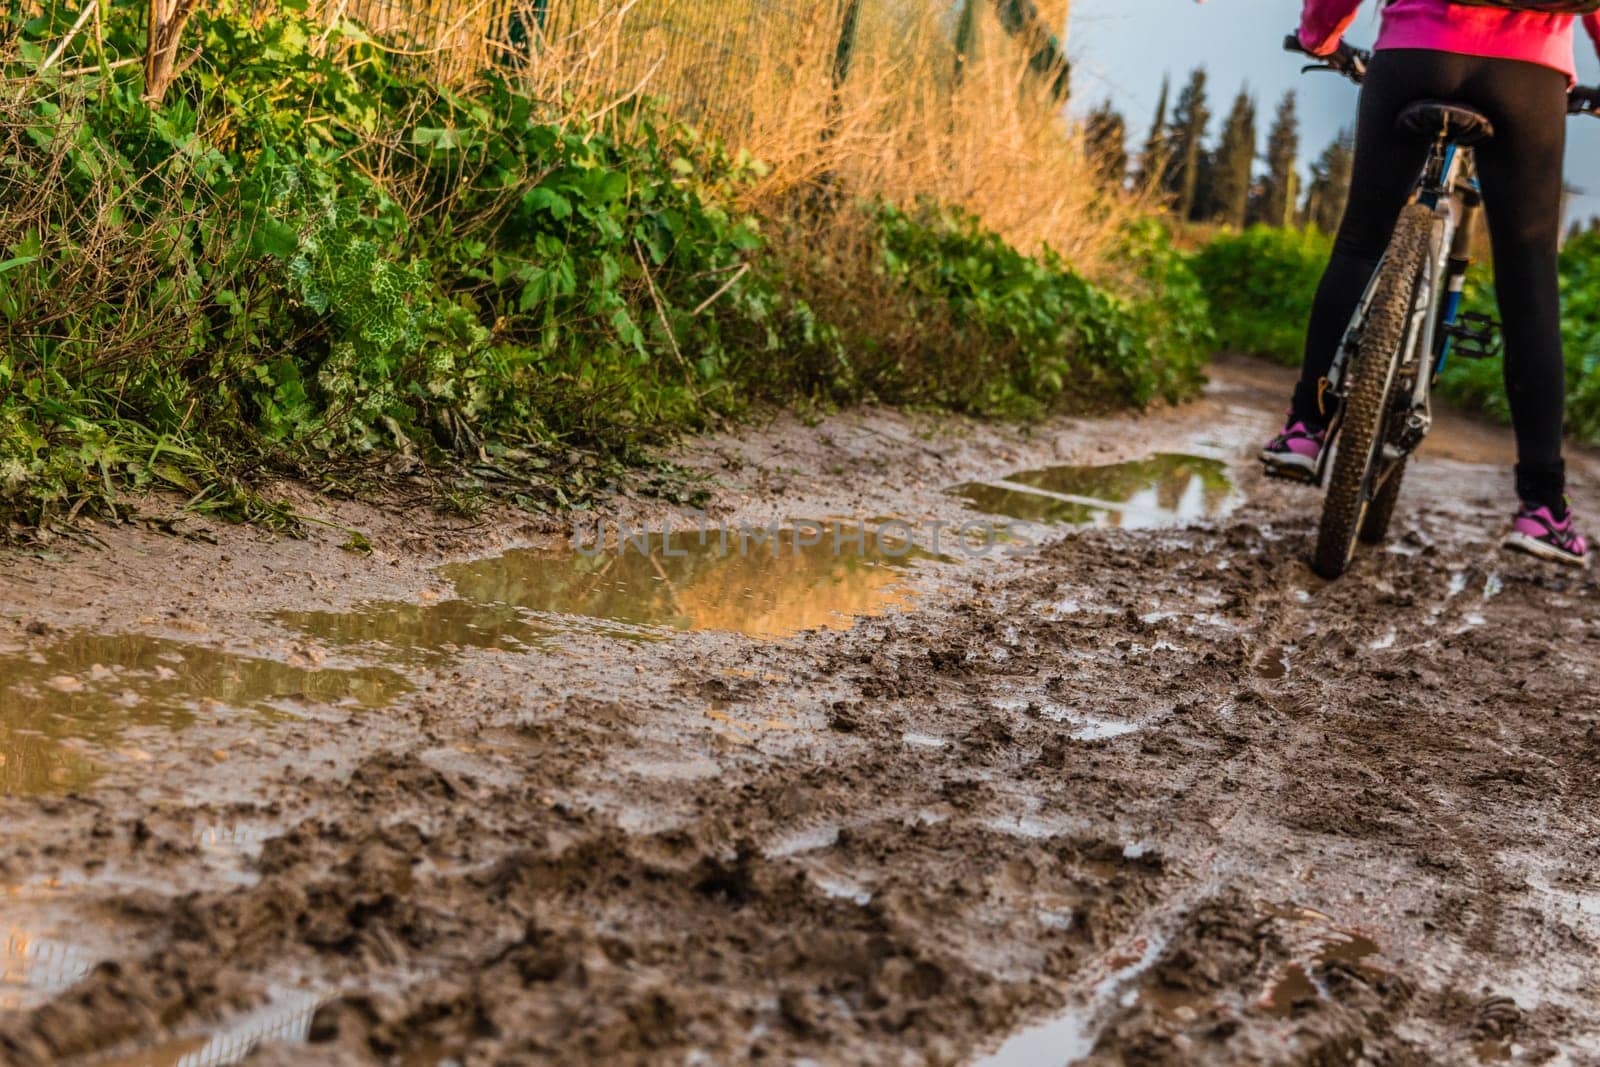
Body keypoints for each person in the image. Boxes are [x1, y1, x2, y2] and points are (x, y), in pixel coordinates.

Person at [1260, 0, 1600, 567]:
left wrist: (1320, 37)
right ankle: (1543, 508)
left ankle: (1306, 428)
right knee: (1529, 283)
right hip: (1528, 73)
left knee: (1360, 244)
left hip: (1414, 56)